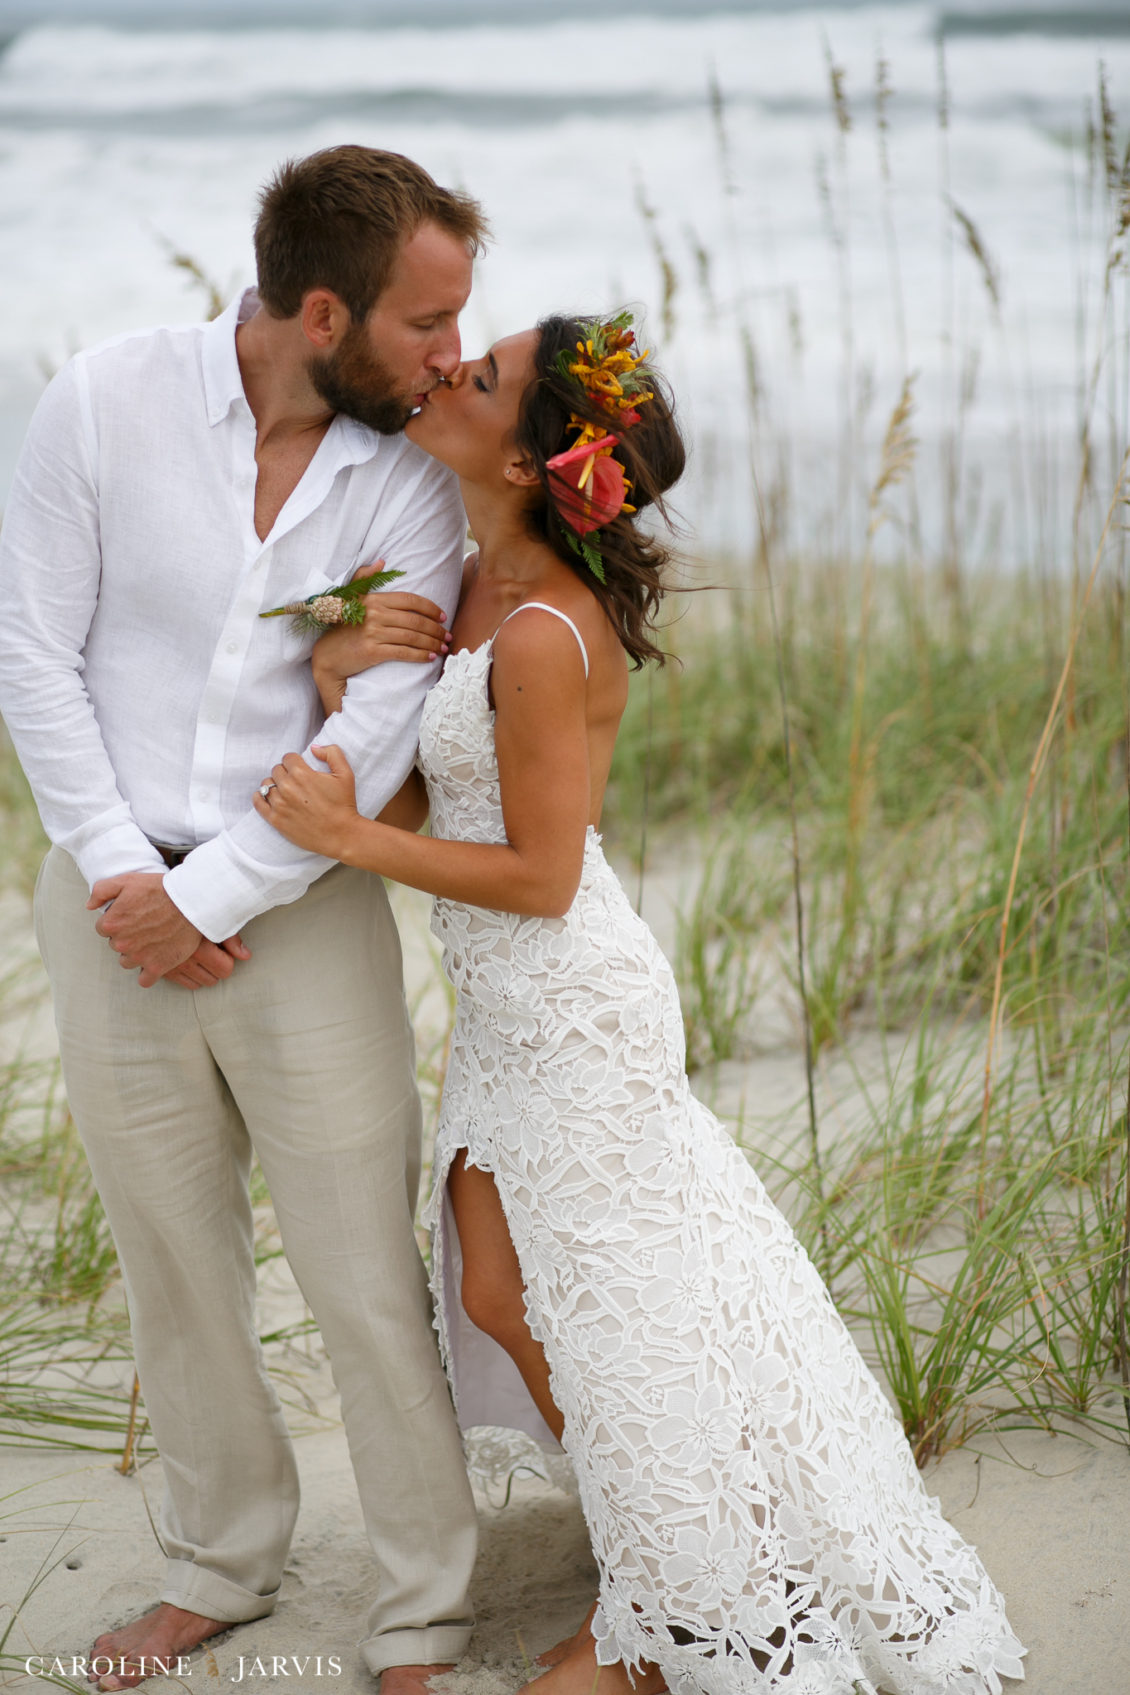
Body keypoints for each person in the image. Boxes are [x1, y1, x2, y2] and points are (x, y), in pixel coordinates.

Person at [255, 313, 1027, 1695]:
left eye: (478, 377)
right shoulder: (480, 590)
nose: (444, 373)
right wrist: (336, 680)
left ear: (534, 455)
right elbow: (468, 801)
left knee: (594, 1309)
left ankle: (666, 1621)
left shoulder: (546, 628)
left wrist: (352, 838)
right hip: (509, 1011)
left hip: (571, 1003)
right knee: (507, 1293)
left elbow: (543, 876)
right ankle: (670, 1554)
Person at [0, 146, 490, 1689]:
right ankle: (221, 1563)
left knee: (361, 1273)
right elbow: (32, 655)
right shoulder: (101, 399)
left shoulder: (415, 475)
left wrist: (201, 897)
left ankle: (424, 1607)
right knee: (173, 1262)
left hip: (305, 913)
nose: (452, 358)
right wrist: (119, 879)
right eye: (425, 325)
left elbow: (384, 725)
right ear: (321, 309)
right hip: (103, 898)